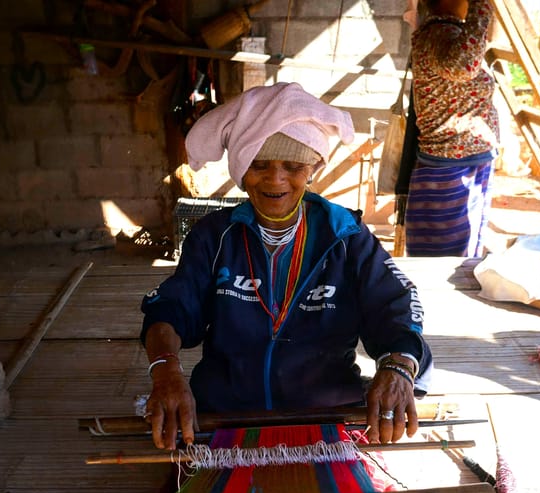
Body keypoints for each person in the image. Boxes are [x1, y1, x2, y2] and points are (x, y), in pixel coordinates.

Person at [140, 82, 433, 450]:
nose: (276, 179)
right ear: (242, 169)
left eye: (293, 166)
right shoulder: (215, 236)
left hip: (328, 419)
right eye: (259, 165)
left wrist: (397, 367)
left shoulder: (346, 236)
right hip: (224, 417)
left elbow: (397, 305)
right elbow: (170, 307)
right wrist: (165, 370)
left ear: (312, 168)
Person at [405, 0, 499, 257]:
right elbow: (464, 66)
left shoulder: (446, 33)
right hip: (452, 164)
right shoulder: (440, 34)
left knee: (461, 247)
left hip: (463, 159)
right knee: (446, 255)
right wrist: (482, 9)